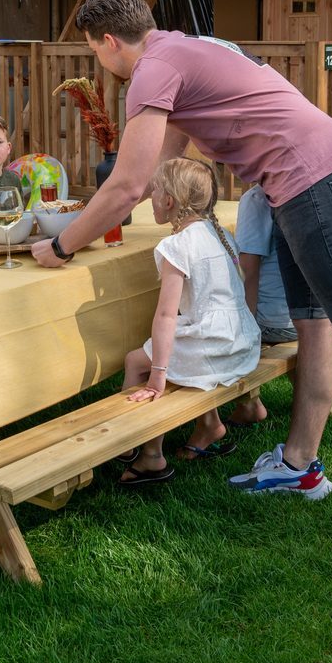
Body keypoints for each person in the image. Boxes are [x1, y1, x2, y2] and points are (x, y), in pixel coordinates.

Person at [32, 0, 332, 549]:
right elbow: (158, 164)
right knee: (313, 320)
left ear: (108, 42)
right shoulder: (182, 50)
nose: (100, 62)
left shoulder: (152, 69)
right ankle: (299, 463)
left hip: (311, 176)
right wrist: (104, 209)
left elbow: (130, 184)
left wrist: (64, 244)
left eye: (95, 51)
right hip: (302, 178)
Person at [116, 158, 261, 486]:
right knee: (176, 348)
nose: (151, 196)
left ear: (168, 201)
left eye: (155, 190)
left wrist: (157, 376)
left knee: (137, 361)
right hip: (240, 342)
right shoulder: (219, 232)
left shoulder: (176, 245)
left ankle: (144, 451)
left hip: (215, 347)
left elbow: (166, 315)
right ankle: (209, 425)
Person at [227, 183, 296, 429]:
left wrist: (245, 330)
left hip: (275, 323)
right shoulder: (302, 187)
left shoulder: (256, 198)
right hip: (313, 317)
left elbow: (248, 271)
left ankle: (248, 405)